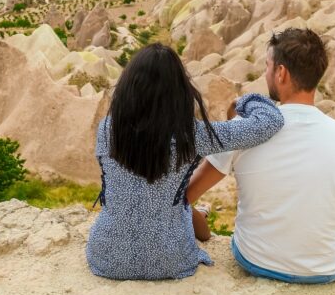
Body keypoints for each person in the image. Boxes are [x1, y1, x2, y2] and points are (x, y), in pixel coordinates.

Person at [188, 27, 335, 284]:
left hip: (252, 259)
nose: (265, 74)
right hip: (324, 269)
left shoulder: (244, 130)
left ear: (281, 73)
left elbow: (188, 194)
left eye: (267, 66)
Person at [86, 43, 284, 280]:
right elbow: (269, 122)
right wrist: (242, 102)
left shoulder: (107, 129)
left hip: (107, 257)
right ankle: (198, 213)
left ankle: (196, 212)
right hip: (171, 259)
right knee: (177, 204)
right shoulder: (191, 135)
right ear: (179, 92)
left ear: (128, 88)